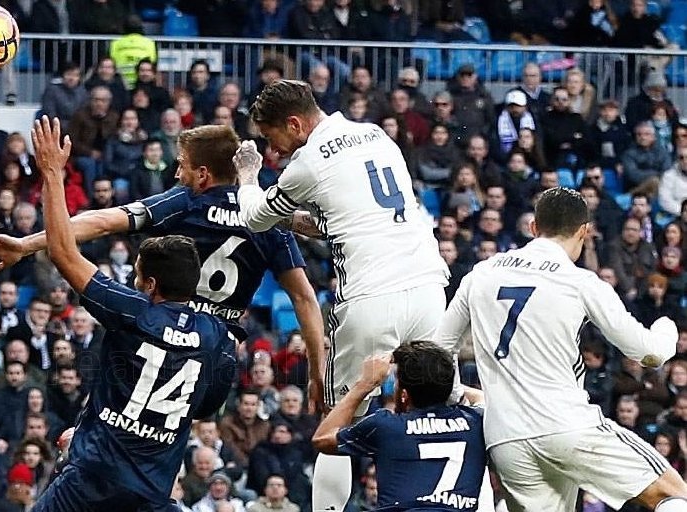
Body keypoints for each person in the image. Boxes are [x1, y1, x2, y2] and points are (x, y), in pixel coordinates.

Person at [0, 123, 326, 412]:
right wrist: (317, 369)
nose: (176, 171)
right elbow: (305, 299)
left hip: (161, 347)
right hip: (217, 361)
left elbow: (103, 222)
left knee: (116, 409)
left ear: (202, 174)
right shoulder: (267, 218)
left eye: (182, 163)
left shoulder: (185, 201)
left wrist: (27, 244)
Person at [233, 79, 449, 512]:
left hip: (371, 297)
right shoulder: (377, 135)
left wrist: (247, 173)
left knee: (339, 419)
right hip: (428, 286)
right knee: (444, 414)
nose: (273, 150)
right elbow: (352, 217)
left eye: (272, 137)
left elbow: (256, 218)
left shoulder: (308, 162)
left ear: (294, 124)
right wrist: (297, 222)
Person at [26, 116, 235, 511]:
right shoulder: (216, 335)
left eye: (137, 274)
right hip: (150, 494)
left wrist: (53, 173)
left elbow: (63, 252)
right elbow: (206, 406)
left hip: (92, 481)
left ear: (151, 284)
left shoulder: (133, 311)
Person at [438, 187, 687, 512]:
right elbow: (649, 354)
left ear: (533, 227)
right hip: (566, 426)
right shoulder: (580, 282)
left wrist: (460, 395)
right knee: (673, 494)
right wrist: (666, 327)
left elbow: (438, 349)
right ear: (584, 231)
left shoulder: (481, 273)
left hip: (505, 439)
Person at [312, 342, 487, 511]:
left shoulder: (386, 427)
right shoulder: (476, 421)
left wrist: (364, 385)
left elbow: (322, 438)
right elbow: (481, 398)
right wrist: (440, 383)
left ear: (404, 395)